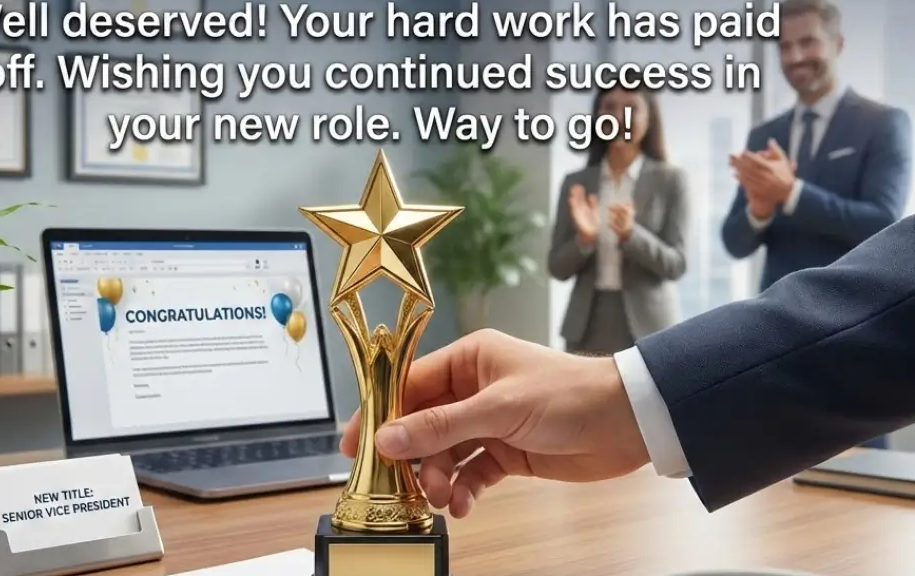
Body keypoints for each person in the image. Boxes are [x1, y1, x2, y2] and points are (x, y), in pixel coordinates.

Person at [340, 213, 915, 519]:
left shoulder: (664, 178)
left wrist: (631, 395)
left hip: (650, 325)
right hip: (593, 326)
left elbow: (676, 257)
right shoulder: (578, 185)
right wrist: (627, 402)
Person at [721, 0, 911, 290]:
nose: (795, 57)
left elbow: (882, 222)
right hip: (777, 313)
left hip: (851, 311)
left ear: (839, 44)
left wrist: (792, 192)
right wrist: (758, 211)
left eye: (808, 42)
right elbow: (734, 243)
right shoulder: (765, 135)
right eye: (785, 47)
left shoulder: (883, 124)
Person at [548, 87, 688, 355]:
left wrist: (631, 235)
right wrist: (585, 240)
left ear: (649, 119)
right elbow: (556, 267)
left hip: (651, 328)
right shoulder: (576, 182)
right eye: (609, 107)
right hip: (587, 326)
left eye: (632, 108)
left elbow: (676, 265)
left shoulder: (671, 180)